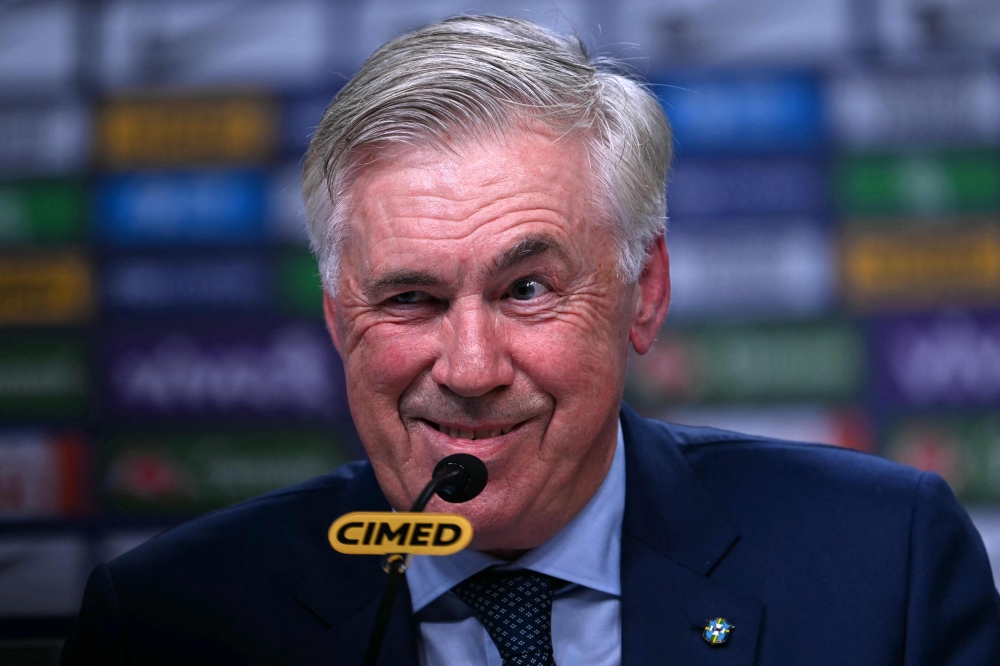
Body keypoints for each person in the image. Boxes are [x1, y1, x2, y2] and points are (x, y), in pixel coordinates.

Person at [63, 15, 1000, 666]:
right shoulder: (167, 626)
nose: (469, 370)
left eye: (527, 290)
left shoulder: (886, 563)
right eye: (410, 298)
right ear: (338, 318)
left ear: (645, 293)